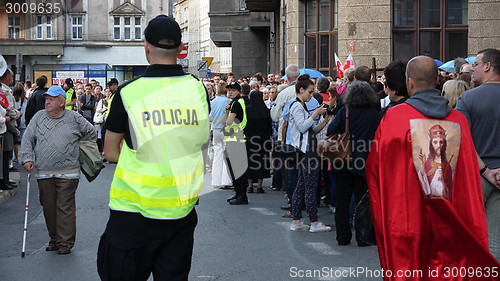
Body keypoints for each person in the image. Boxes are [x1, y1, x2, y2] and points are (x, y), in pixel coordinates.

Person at [366, 56, 500, 280]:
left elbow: (376, 168)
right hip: (449, 215)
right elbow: (467, 173)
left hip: (407, 216)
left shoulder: (394, 118)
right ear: (437, 79)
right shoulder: (458, 121)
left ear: (409, 83)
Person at [97, 15, 210, 280]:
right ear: (181, 48)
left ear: (146, 47)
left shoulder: (128, 92)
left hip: (133, 212)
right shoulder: (197, 90)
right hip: (180, 212)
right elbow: (201, 142)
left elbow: (110, 152)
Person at [20, 85, 96, 255]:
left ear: (62, 102)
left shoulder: (74, 118)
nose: (47, 102)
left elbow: (91, 132)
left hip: (69, 172)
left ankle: (65, 242)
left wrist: (79, 149)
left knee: (65, 205)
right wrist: (27, 158)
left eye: (51, 99)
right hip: (44, 171)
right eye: (47, 99)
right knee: (48, 206)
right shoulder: (39, 117)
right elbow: (27, 139)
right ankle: (54, 238)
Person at [456, 48, 500, 262]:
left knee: (467, 235)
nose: (472, 68)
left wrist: (484, 170)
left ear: (488, 66)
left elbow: (462, 140)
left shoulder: (468, 98)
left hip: (476, 175)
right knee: (495, 239)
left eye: (476, 63)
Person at [326, 81, 380, 245]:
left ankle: (343, 236)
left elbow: (330, 130)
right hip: (365, 161)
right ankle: (362, 237)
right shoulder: (375, 113)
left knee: (342, 201)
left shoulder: (346, 110)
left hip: (344, 160)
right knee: (362, 202)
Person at [287, 74, 331, 232]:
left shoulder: (301, 105)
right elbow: (303, 126)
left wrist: (325, 119)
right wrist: (315, 114)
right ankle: (314, 222)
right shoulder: (297, 106)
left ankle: (297, 220)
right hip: (307, 152)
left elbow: (313, 129)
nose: (311, 95)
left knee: (302, 186)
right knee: (311, 187)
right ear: (301, 90)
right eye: (310, 92)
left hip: (305, 151)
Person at [222, 82, 249, 205]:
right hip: (233, 140)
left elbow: (227, 122)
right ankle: (238, 194)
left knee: (237, 169)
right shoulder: (234, 103)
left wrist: (227, 112)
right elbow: (224, 121)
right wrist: (227, 110)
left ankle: (241, 196)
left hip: (236, 140)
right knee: (235, 169)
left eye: (233, 90)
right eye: (229, 90)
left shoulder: (237, 104)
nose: (230, 92)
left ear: (239, 92)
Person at [246, 83, 272, 194]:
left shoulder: (247, 110)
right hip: (263, 141)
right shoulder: (265, 110)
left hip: (250, 141)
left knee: (250, 163)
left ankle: (250, 185)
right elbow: (269, 127)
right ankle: (260, 186)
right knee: (261, 163)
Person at [210, 81, 232, 189]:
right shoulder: (229, 101)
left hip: (216, 129)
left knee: (217, 155)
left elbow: (210, 117)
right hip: (226, 130)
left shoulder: (212, 102)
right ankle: (226, 181)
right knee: (226, 156)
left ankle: (216, 180)